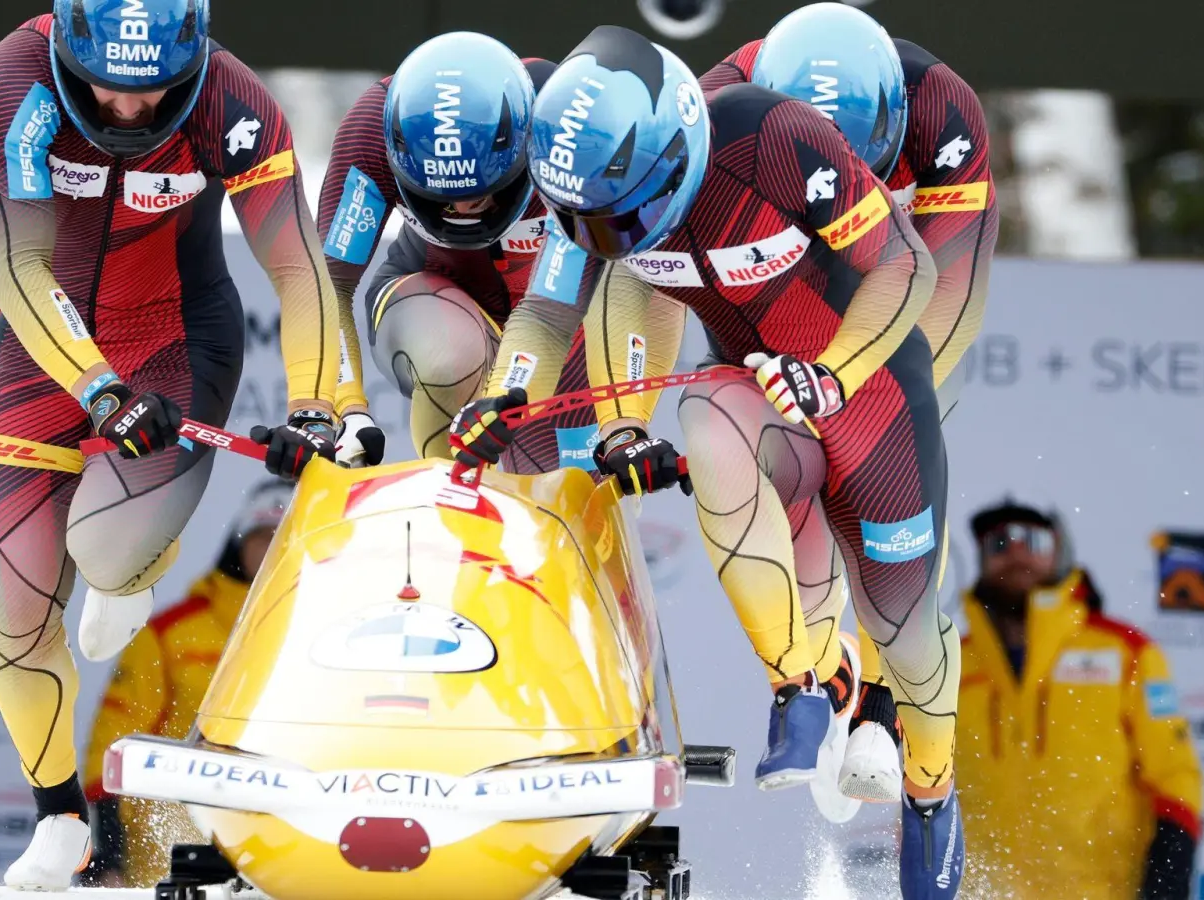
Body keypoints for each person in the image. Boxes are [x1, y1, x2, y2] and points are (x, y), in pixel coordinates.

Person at [448, 24, 963, 897]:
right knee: (708, 417)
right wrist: (507, 391)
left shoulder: (772, 138)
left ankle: (931, 791)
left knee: (908, 641)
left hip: (866, 390)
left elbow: (904, 267)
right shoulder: (591, 197)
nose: (607, 235)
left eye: (627, 214)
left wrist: (833, 373)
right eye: (588, 221)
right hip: (759, 392)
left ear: (676, 144)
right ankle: (803, 680)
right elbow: (545, 315)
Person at [0, 1, 341, 888]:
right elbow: (18, 266)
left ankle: (130, 569)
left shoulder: (231, 101)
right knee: (17, 604)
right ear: (67, 48)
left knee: (103, 543)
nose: (130, 111)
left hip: (176, 341)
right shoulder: (12, 84)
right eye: (108, 88)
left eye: (155, 91)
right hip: (45, 349)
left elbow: (299, 269)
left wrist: (319, 404)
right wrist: (97, 389)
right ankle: (60, 817)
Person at [694, 0, 1001, 809]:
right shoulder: (726, 100)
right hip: (769, 314)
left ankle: (886, 694)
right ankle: (821, 661)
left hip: (894, 300)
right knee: (755, 453)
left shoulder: (942, 113)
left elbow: (948, 293)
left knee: (892, 446)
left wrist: (864, 391)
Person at [317, 30, 684, 478]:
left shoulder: (569, 128)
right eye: (443, 200)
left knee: (570, 477)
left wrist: (623, 427)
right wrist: (345, 408)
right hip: (435, 290)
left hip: (564, 307)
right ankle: (445, 490)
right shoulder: (369, 134)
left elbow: (607, 287)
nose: (468, 210)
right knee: (450, 356)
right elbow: (325, 288)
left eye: (487, 192)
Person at [958, 501, 1203, 899]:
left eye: (1031, 540)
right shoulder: (947, 665)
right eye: (999, 542)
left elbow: (1175, 775)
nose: (1015, 552)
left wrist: (1166, 881)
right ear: (982, 560)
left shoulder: (1127, 653)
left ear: (1059, 551)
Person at [79, 479, 292, 888]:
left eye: (284, 540)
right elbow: (114, 738)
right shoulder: (170, 633)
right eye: (262, 537)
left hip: (284, 847)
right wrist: (107, 852)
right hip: (170, 853)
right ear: (238, 544)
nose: (271, 552)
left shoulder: (322, 631)